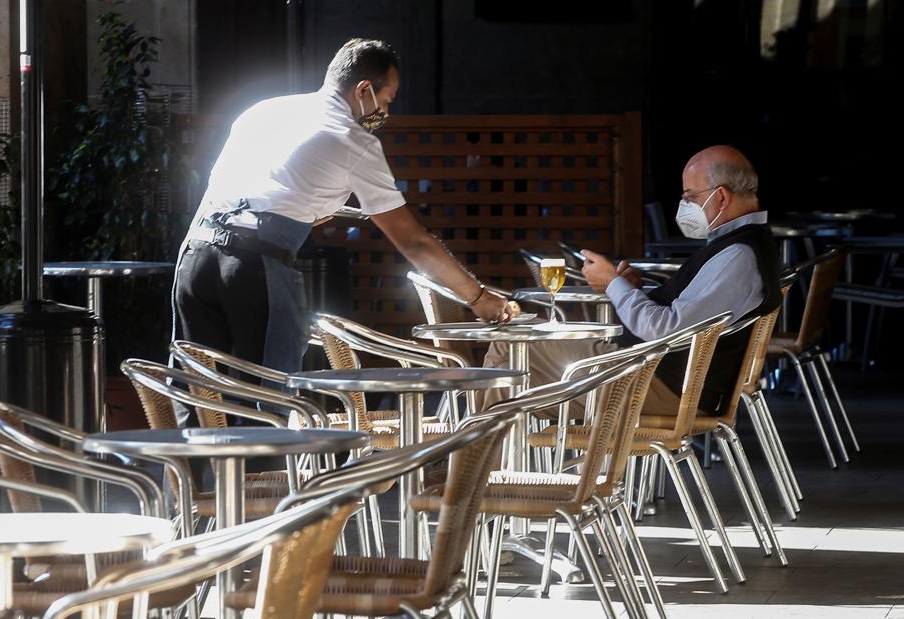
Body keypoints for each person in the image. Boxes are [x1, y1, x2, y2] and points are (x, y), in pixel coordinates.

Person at [174, 38, 512, 377]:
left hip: (195, 256)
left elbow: (240, 191)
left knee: (197, 389)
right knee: (265, 405)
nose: (386, 113)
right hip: (254, 267)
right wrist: (478, 298)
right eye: (386, 100)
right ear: (363, 90)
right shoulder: (354, 141)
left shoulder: (263, 111)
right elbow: (414, 242)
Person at [487, 145, 781, 415]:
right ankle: (479, 462)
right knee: (514, 376)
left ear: (720, 197)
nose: (684, 205)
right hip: (654, 376)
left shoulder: (738, 256)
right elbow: (691, 315)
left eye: (690, 197)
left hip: (658, 386)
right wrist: (632, 289)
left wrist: (615, 285)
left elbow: (667, 330)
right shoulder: (739, 247)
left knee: (510, 346)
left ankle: (466, 465)